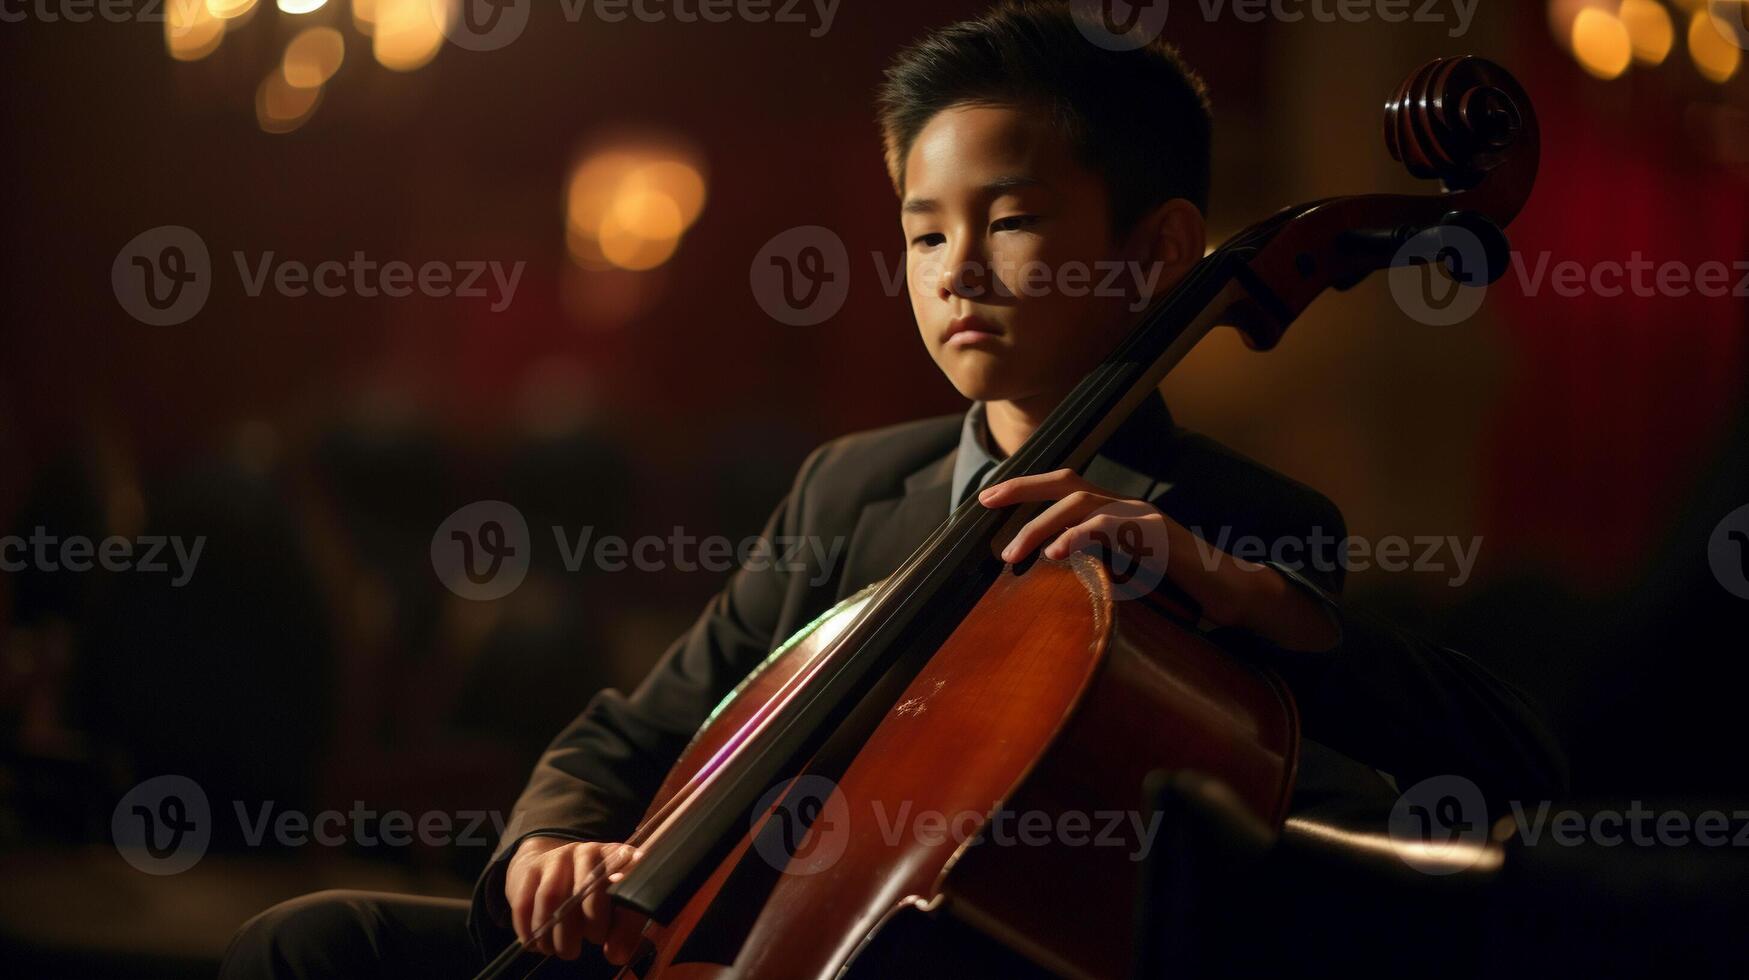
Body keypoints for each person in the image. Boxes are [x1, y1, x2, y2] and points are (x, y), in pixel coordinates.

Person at [221, 3, 1567, 977]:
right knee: (314, 943)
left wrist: (1226, 588)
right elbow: (628, 738)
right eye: (925, 231)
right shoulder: (851, 487)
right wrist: (548, 849)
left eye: (1014, 219)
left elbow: (1498, 755)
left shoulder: (1243, 530)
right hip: (709, 938)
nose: (955, 268)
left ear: (1159, 251)